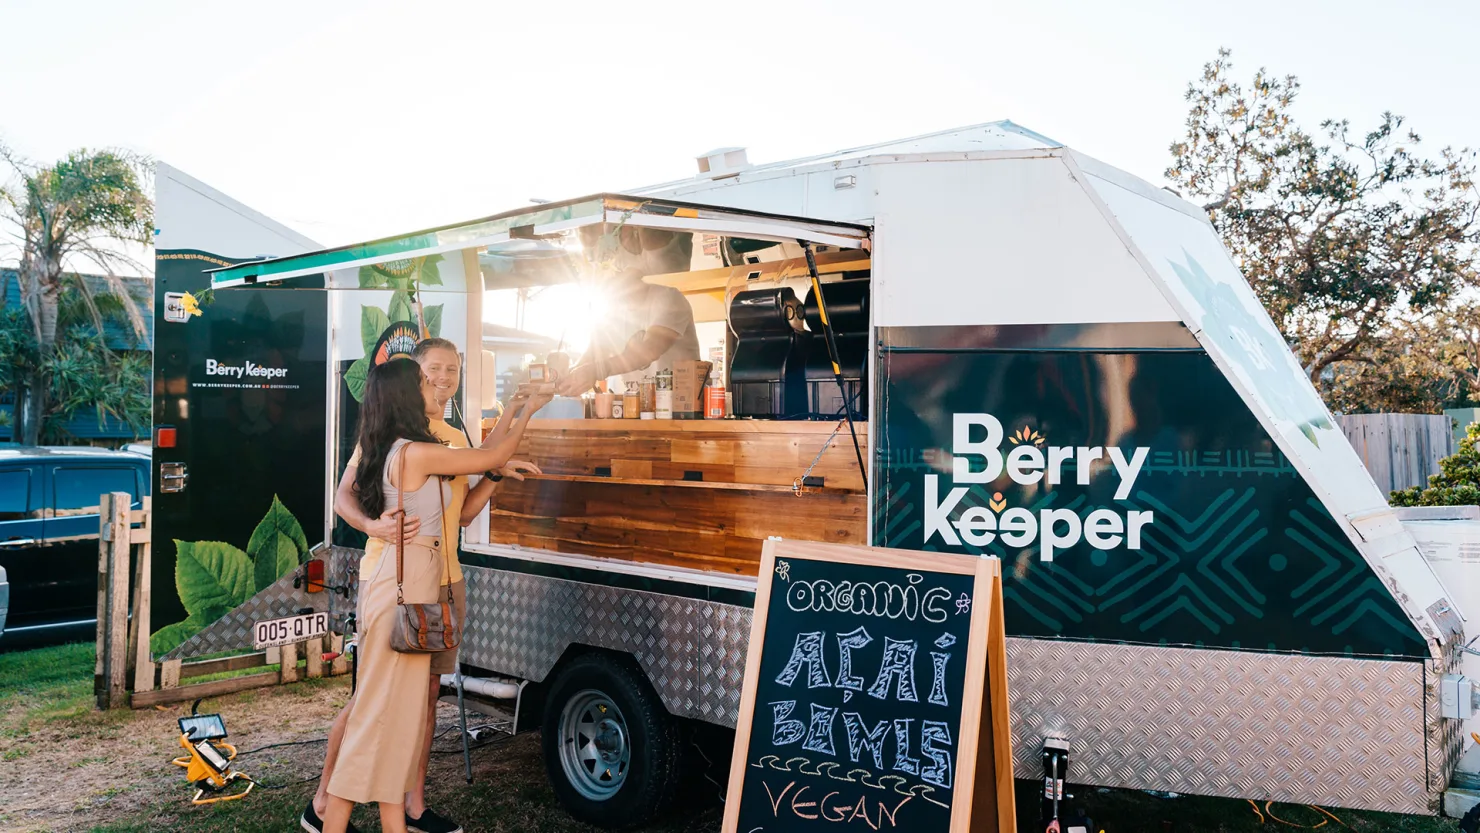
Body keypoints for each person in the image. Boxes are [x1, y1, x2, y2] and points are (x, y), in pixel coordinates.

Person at [303, 347, 545, 833]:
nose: (437, 384)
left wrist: (513, 417)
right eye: (426, 378)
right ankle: (327, 810)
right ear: (406, 395)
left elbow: (477, 478)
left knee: (408, 711)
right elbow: (493, 455)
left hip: (425, 585)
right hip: (400, 589)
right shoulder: (412, 451)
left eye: (448, 373)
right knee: (376, 712)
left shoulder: (419, 443)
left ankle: (398, 819)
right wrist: (525, 410)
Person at [557, 226, 699, 396]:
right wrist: (568, 378)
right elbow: (595, 351)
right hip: (638, 407)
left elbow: (648, 351)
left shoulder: (668, 298)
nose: (607, 281)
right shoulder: (612, 310)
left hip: (681, 409)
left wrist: (596, 371)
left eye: (613, 276)